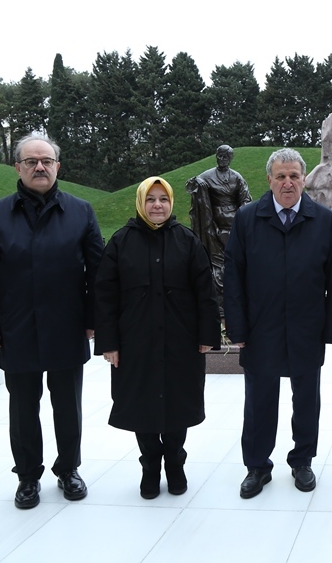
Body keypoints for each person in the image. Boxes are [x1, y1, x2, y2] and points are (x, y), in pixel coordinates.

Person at [0, 135, 104, 509]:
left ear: (57, 167)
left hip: (67, 325)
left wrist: (94, 320)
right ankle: (28, 476)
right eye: (31, 161)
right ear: (18, 167)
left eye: (46, 161)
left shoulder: (80, 211)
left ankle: (69, 469)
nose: (40, 167)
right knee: (22, 409)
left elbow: (97, 273)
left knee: (68, 406)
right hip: (17, 328)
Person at [224, 148, 332, 498]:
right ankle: (257, 466)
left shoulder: (323, 219)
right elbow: (233, 277)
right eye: (281, 176)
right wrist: (237, 328)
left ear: (304, 179)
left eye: (294, 176)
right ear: (269, 180)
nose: (288, 183)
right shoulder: (247, 218)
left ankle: (302, 460)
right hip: (261, 329)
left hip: (307, 328)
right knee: (259, 402)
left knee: (306, 401)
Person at [94, 177, 221, 498]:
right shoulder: (121, 242)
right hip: (135, 344)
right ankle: (150, 464)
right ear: (140, 202)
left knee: (179, 402)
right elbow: (105, 296)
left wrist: (207, 335)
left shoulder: (187, 241)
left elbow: (205, 292)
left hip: (181, 342)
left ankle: (175, 462)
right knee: (141, 404)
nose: (157, 205)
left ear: (171, 202)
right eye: (150, 199)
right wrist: (109, 343)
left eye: (163, 199)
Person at [186, 145, 252, 303]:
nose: (222, 159)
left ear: (230, 159)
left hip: (234, 222)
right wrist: (197, 182)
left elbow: (245, 199)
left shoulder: (236, 177)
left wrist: (240, 216)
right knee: (217, 259)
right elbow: (190, 186)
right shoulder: (207, 175)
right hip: (214, 223)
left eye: (225, 157)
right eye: (219, 156)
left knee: (234, 256)